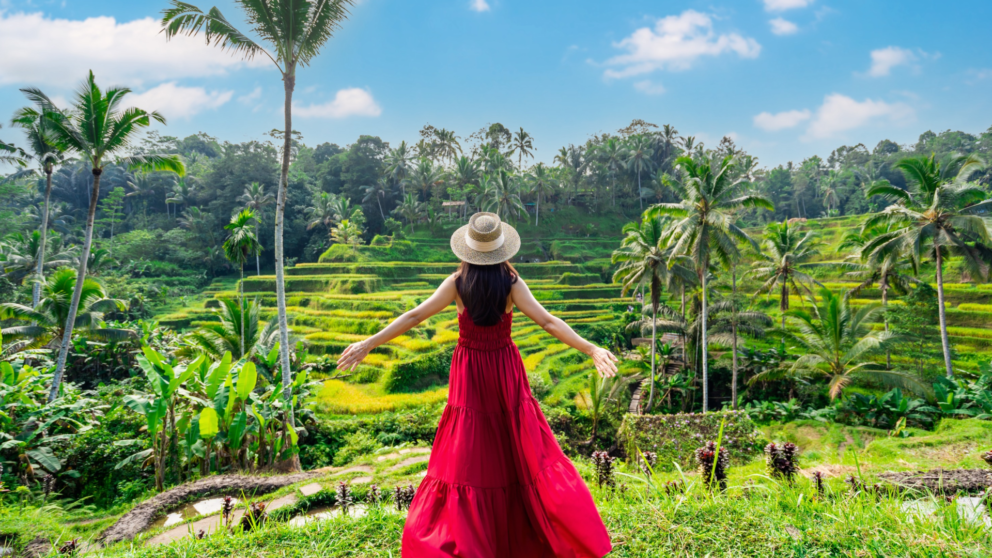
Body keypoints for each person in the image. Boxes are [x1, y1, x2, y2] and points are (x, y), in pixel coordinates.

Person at [337, 212, 616, 557]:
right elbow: (546, 321)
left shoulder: (456, 282)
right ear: (501, 249)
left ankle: (473, 536)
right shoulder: (512, 282)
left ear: (467, 250)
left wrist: (369, 343)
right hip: (504, 368)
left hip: (469, 370)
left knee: (470, 452)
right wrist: (591, 348)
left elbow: (415, 316)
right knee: (515, 446)